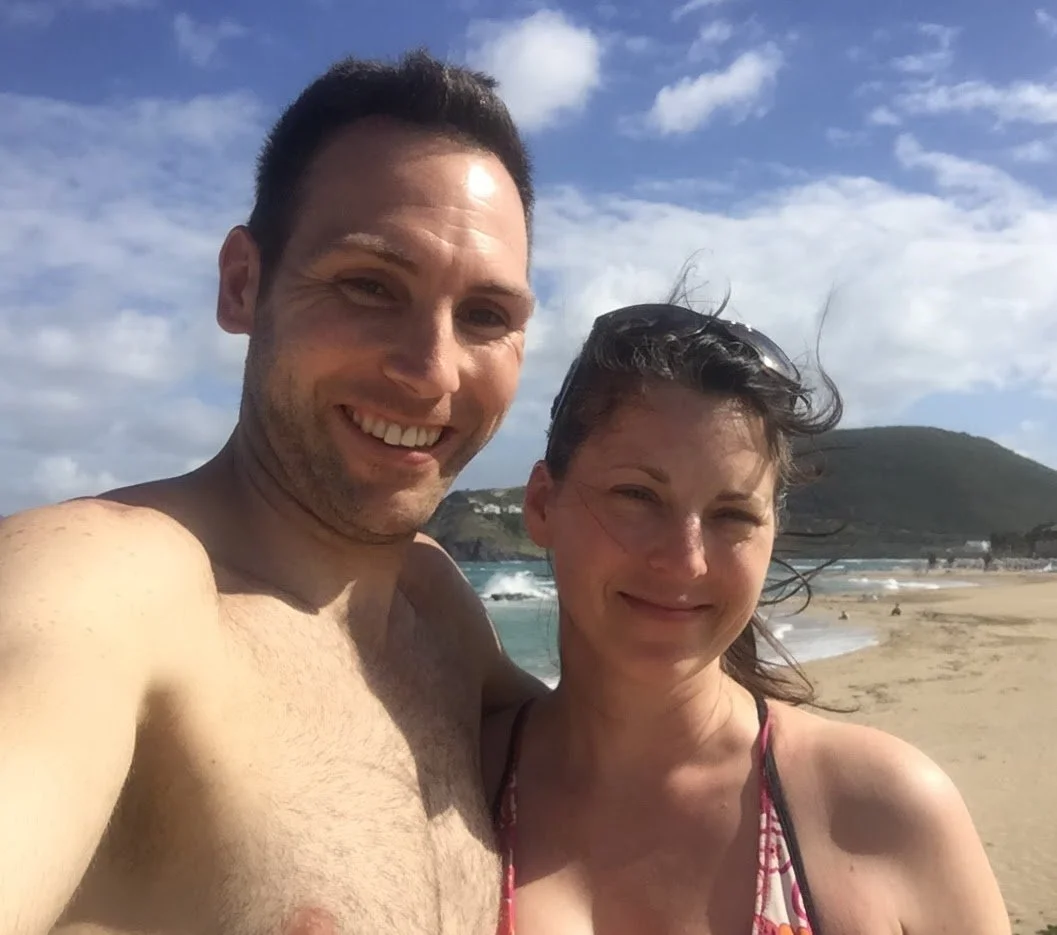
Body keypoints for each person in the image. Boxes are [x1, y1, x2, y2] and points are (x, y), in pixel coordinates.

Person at [0, 51, 542, 935]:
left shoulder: (436, 609)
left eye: (485, 315)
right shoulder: (100, 585)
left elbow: (635, 736)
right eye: (369, 285)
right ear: (243, 284)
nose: (432, 372)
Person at [483, 301, 1010, 934]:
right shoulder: (447, 786)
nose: (686, 561)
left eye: (732, 515)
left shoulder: (883, 813)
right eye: (637, 496)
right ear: (543, 504)